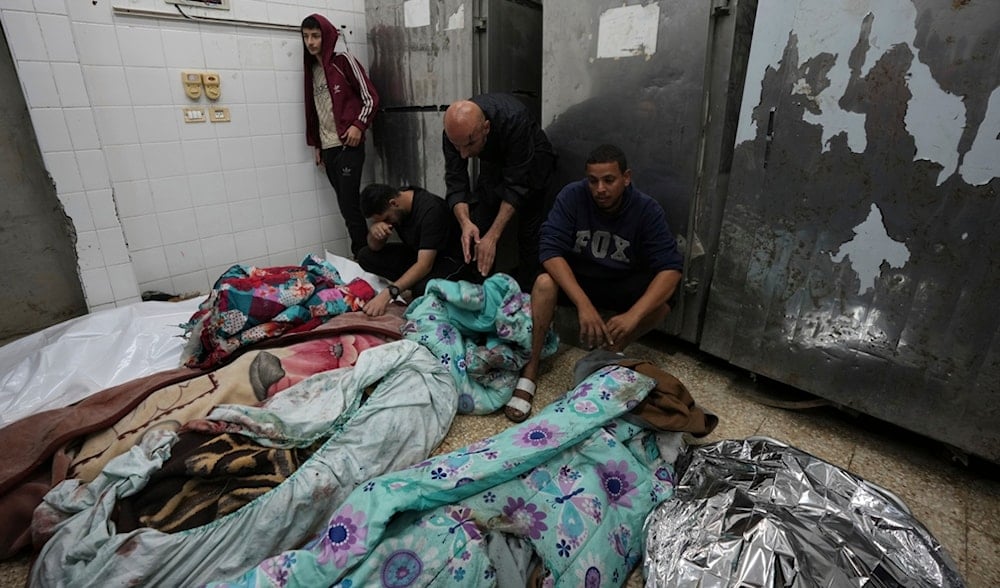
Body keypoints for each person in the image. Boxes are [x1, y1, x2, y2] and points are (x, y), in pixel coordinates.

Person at [504, 144, 684, 422]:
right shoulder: (572, 196)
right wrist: (583, 305)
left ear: (626, 177)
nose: (600, 188)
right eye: (593, 180)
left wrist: (632, 317)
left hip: (621, 282)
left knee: (667, 296)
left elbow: (671, 269)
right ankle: (531, 367)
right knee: (543, 282)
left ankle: (608, 353)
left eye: (609, 180)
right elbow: (549, 250)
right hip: (580, 279)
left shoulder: (647, 209)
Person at [442, 93, 555, 289]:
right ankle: (479, 293)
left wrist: (493, 237)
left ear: (486, 127)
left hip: (532, 163)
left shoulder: (514, 118)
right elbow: (456, 182)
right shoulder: (455, 132)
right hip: (493, 162)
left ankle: (526, 299)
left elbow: (517, 186)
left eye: (469, 144)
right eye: (456, 146)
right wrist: (465, 223)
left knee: (529, 235)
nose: (464, 154)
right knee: (478, 225)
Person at [302, 14, 380, 257]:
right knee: (346, 206)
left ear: (326, 36)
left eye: (316, 36)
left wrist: (359, 125)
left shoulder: (343, 61)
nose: (311, 42)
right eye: (306, 37)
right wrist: (317, 144)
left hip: (348, 144)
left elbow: (371, 97)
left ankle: (362, 256)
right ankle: (366, 254)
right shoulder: (311, 70)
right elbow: (314, 110)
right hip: (328, 148)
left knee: (349, 205)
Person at [355, 183, 475, 317]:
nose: (388, 223)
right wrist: (375, 232)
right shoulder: (397, 201)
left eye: (387, 219)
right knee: (365, 255)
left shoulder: (431, 210)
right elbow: (374, 247)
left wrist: (389, 293)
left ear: (393, 203)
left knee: (420, 290)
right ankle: (410, 281)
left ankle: (412, 283)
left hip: (449, 261)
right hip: (419, 253)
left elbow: (424, 265)